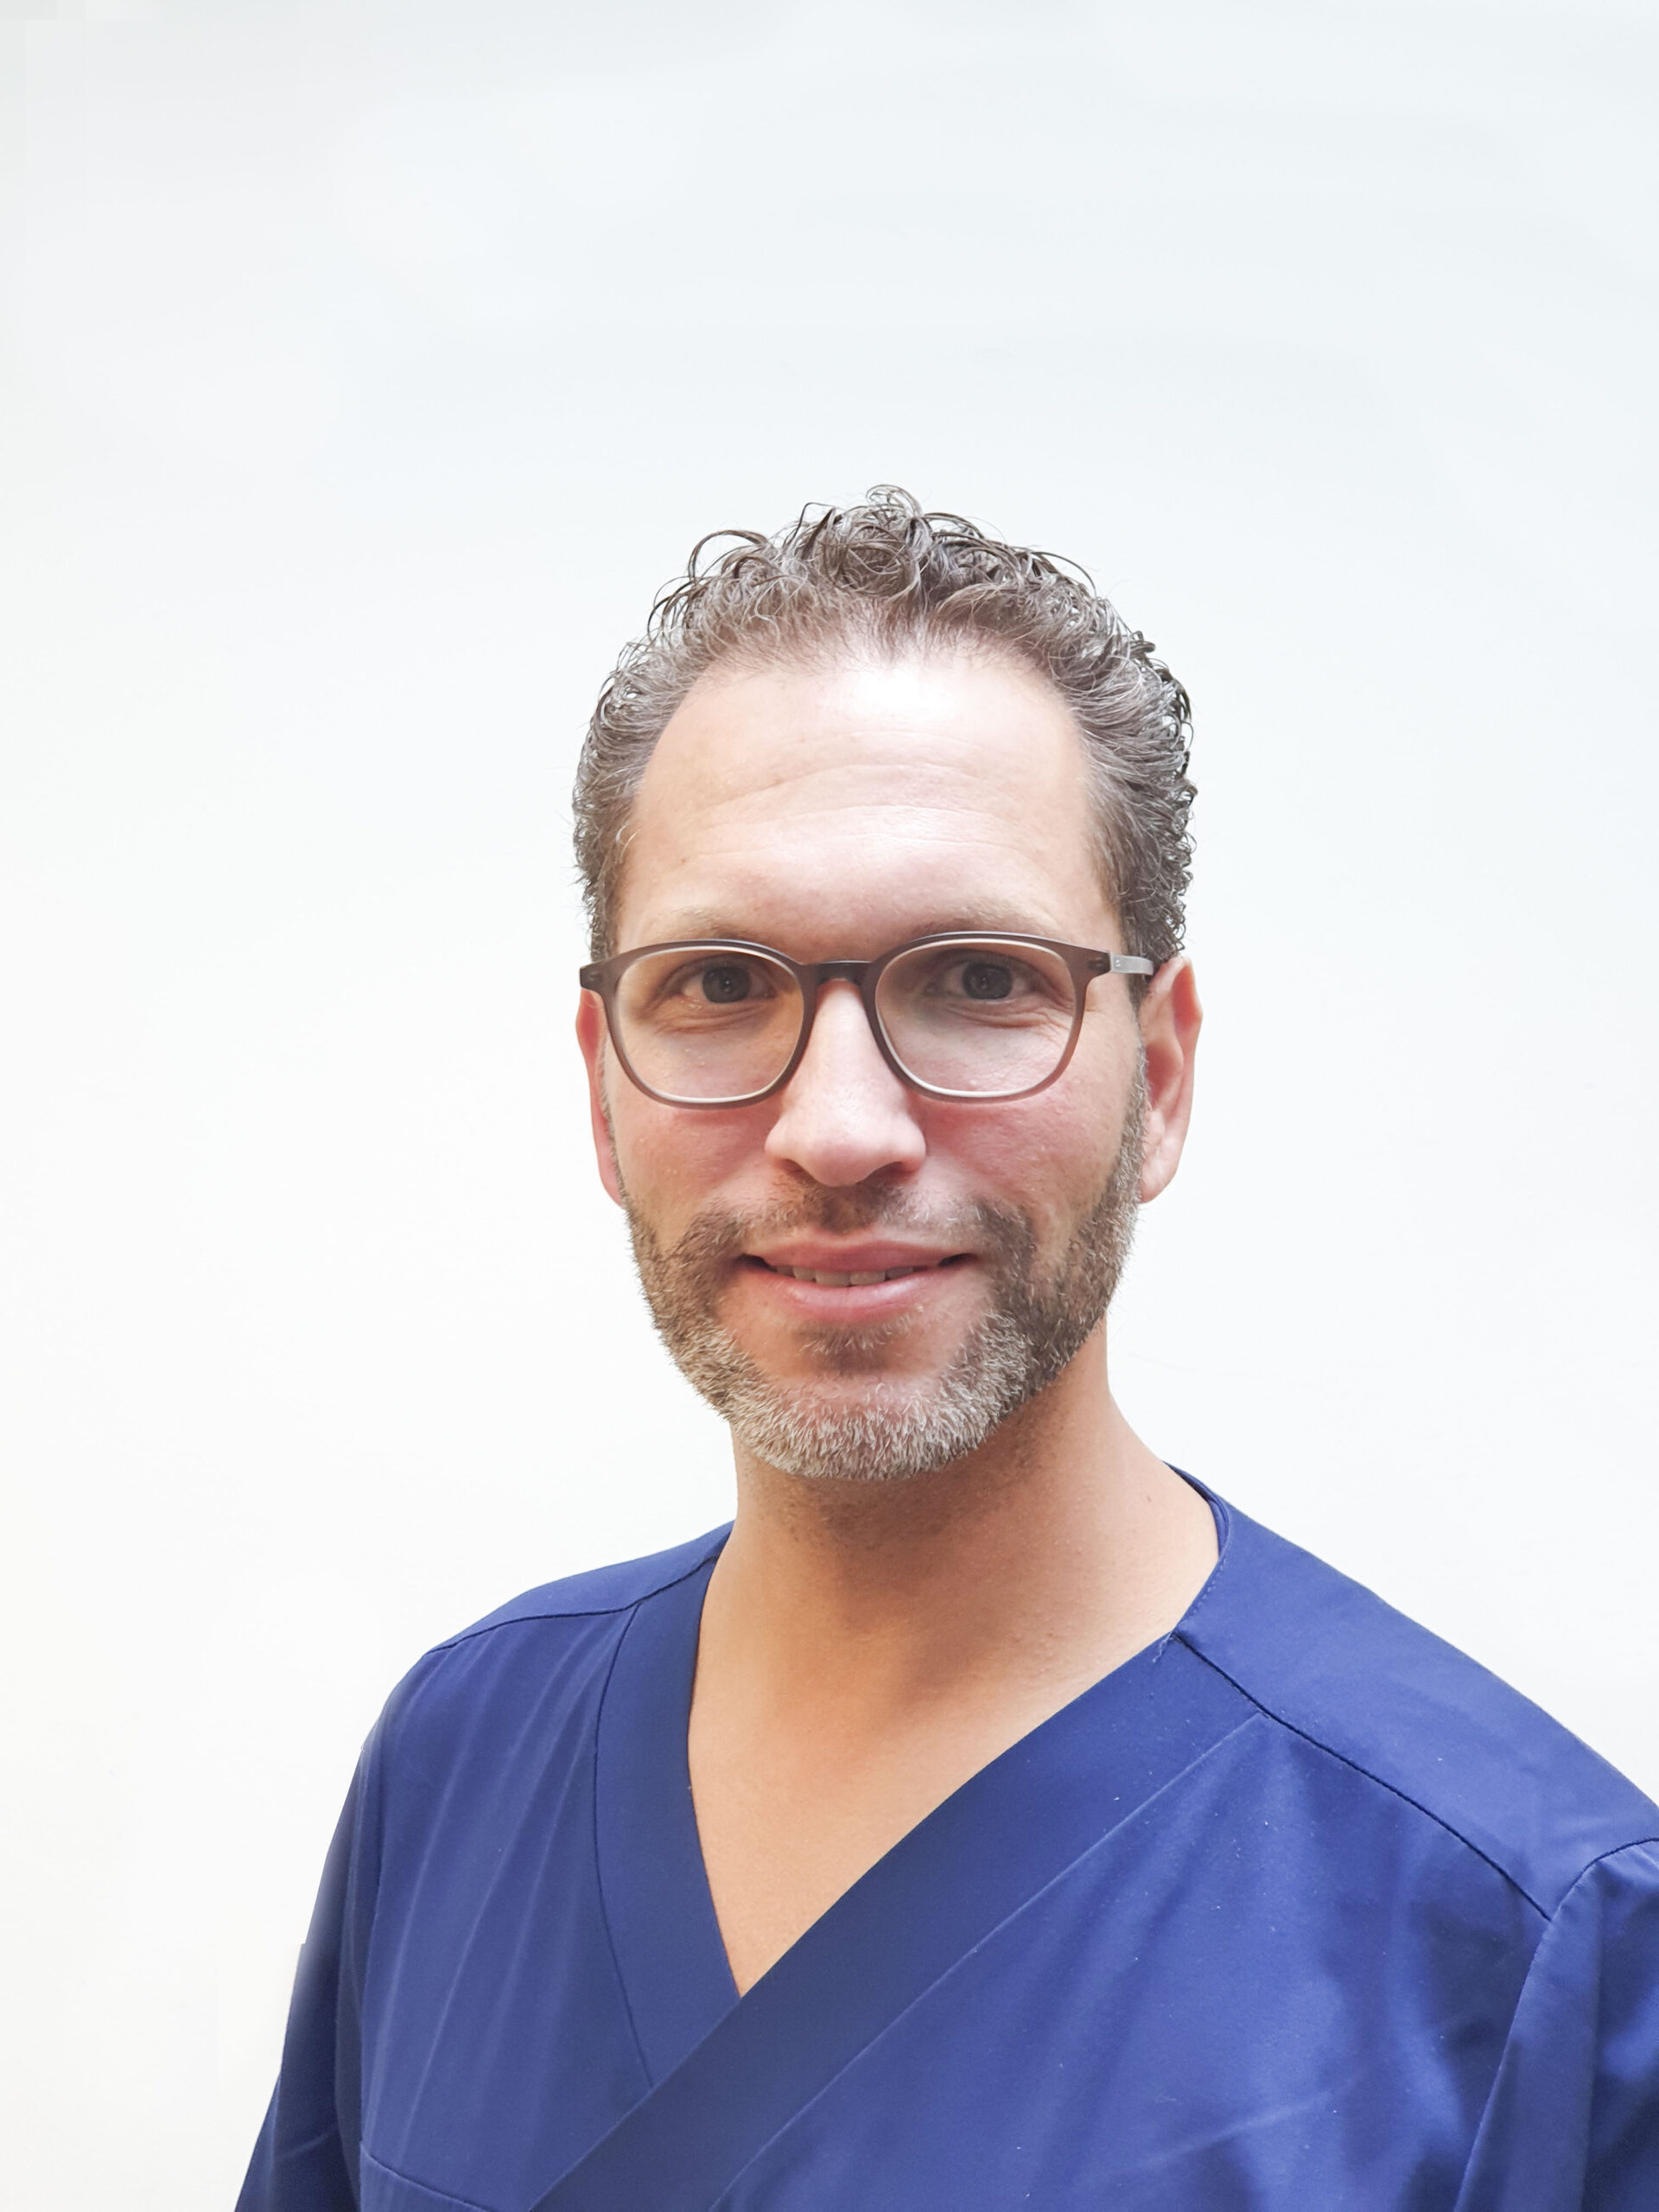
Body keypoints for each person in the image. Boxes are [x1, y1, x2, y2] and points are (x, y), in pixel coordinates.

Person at [238, 492, 1659, 2211]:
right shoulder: (460, 1761)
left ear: (1161, 1078)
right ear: (602, 1089)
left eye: (980, 977)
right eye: (721, 985)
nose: (840, 1128)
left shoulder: (1536, 1946)